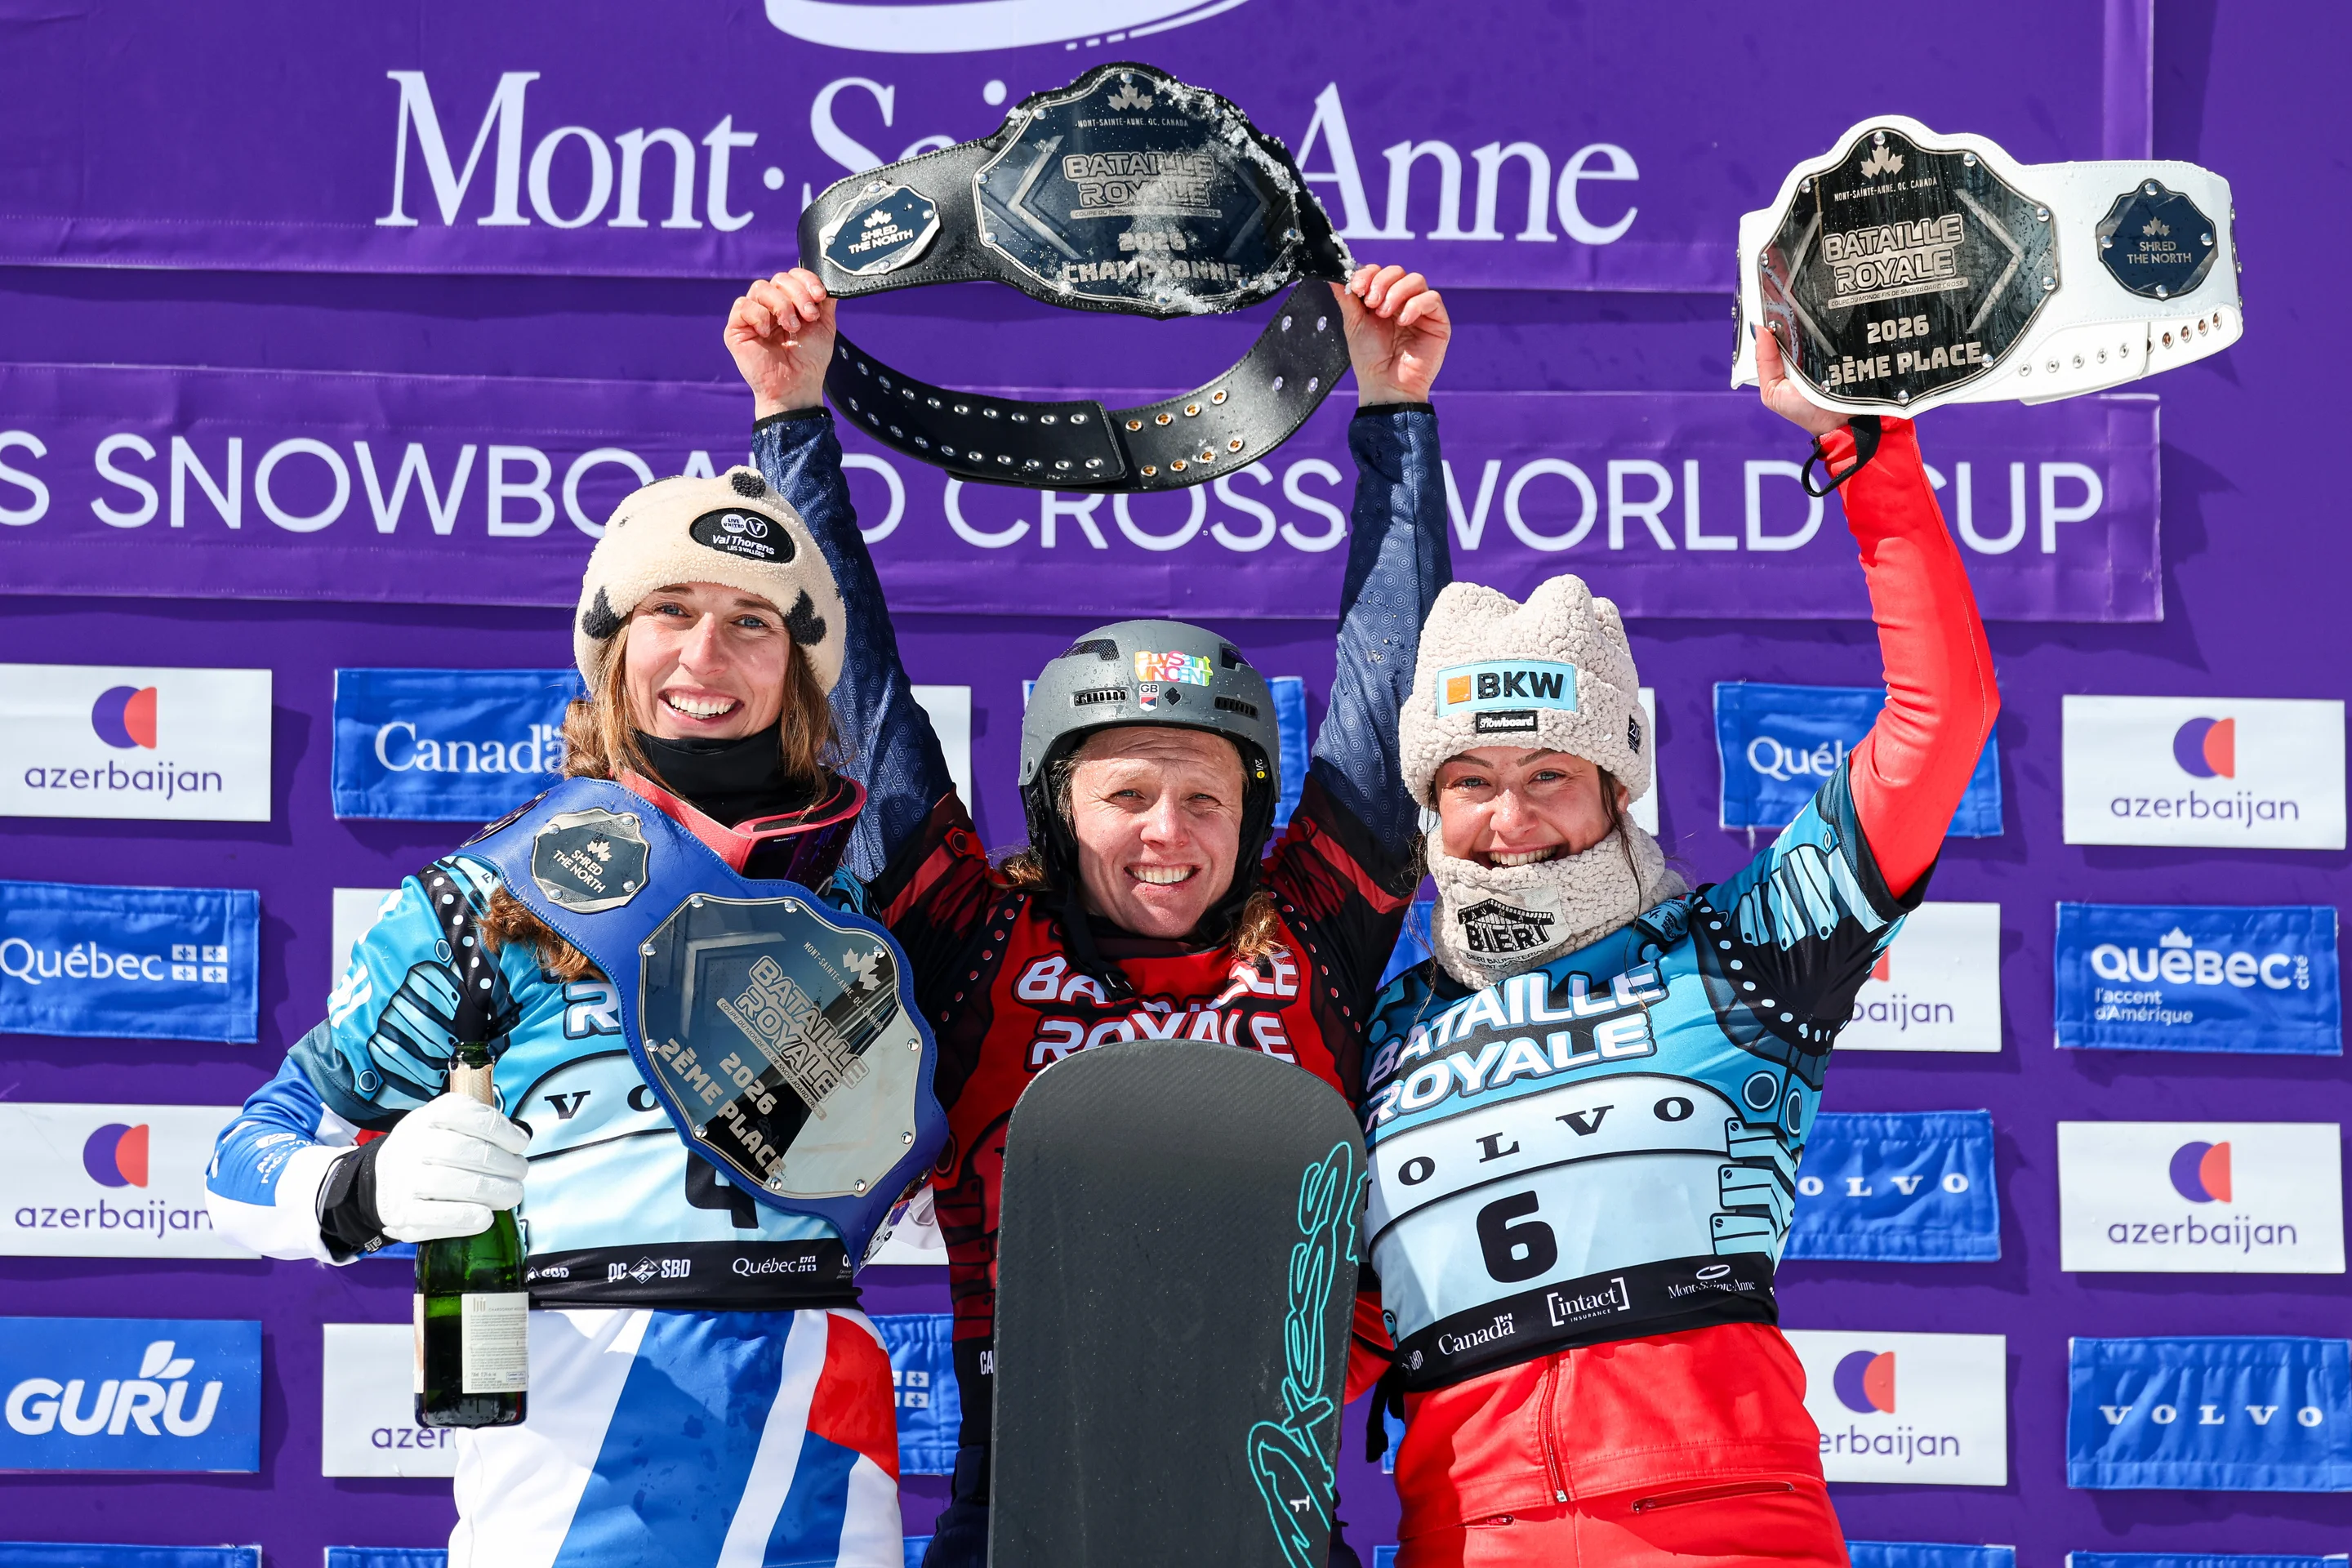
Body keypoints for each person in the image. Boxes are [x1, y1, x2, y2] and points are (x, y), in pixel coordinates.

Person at [718, 261, 1455, 1567]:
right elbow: (867, 704)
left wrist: (1394, 406)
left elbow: (1391, 695)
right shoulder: (977, 937)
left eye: (1204, 798)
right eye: (1127, 795)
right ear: (1059, 812)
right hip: (1025, 1494)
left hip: (1272, 1502)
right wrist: (792, 420)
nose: (1167, 834)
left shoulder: (1313, 936)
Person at [1352, 324, 2000, 1566]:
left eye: (1552, 771)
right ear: (1430, 804)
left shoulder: (1740, 951)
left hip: (1721, 1535)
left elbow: (1942, 720)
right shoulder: (1383, 1027)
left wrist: (1861, 441)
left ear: (1619, 783)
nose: (1512, 815)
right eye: (1471, 779)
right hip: (1459, 1535)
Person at [206, 461, 911, 1566]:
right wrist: (362, 1190)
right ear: (611, 645)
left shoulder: (874, 905)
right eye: (668, 611)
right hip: (574, 1433)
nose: (703, 656)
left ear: (803, 667)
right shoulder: (487, 899)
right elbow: (238, 1158)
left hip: (817, 1426)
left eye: (750, 622)